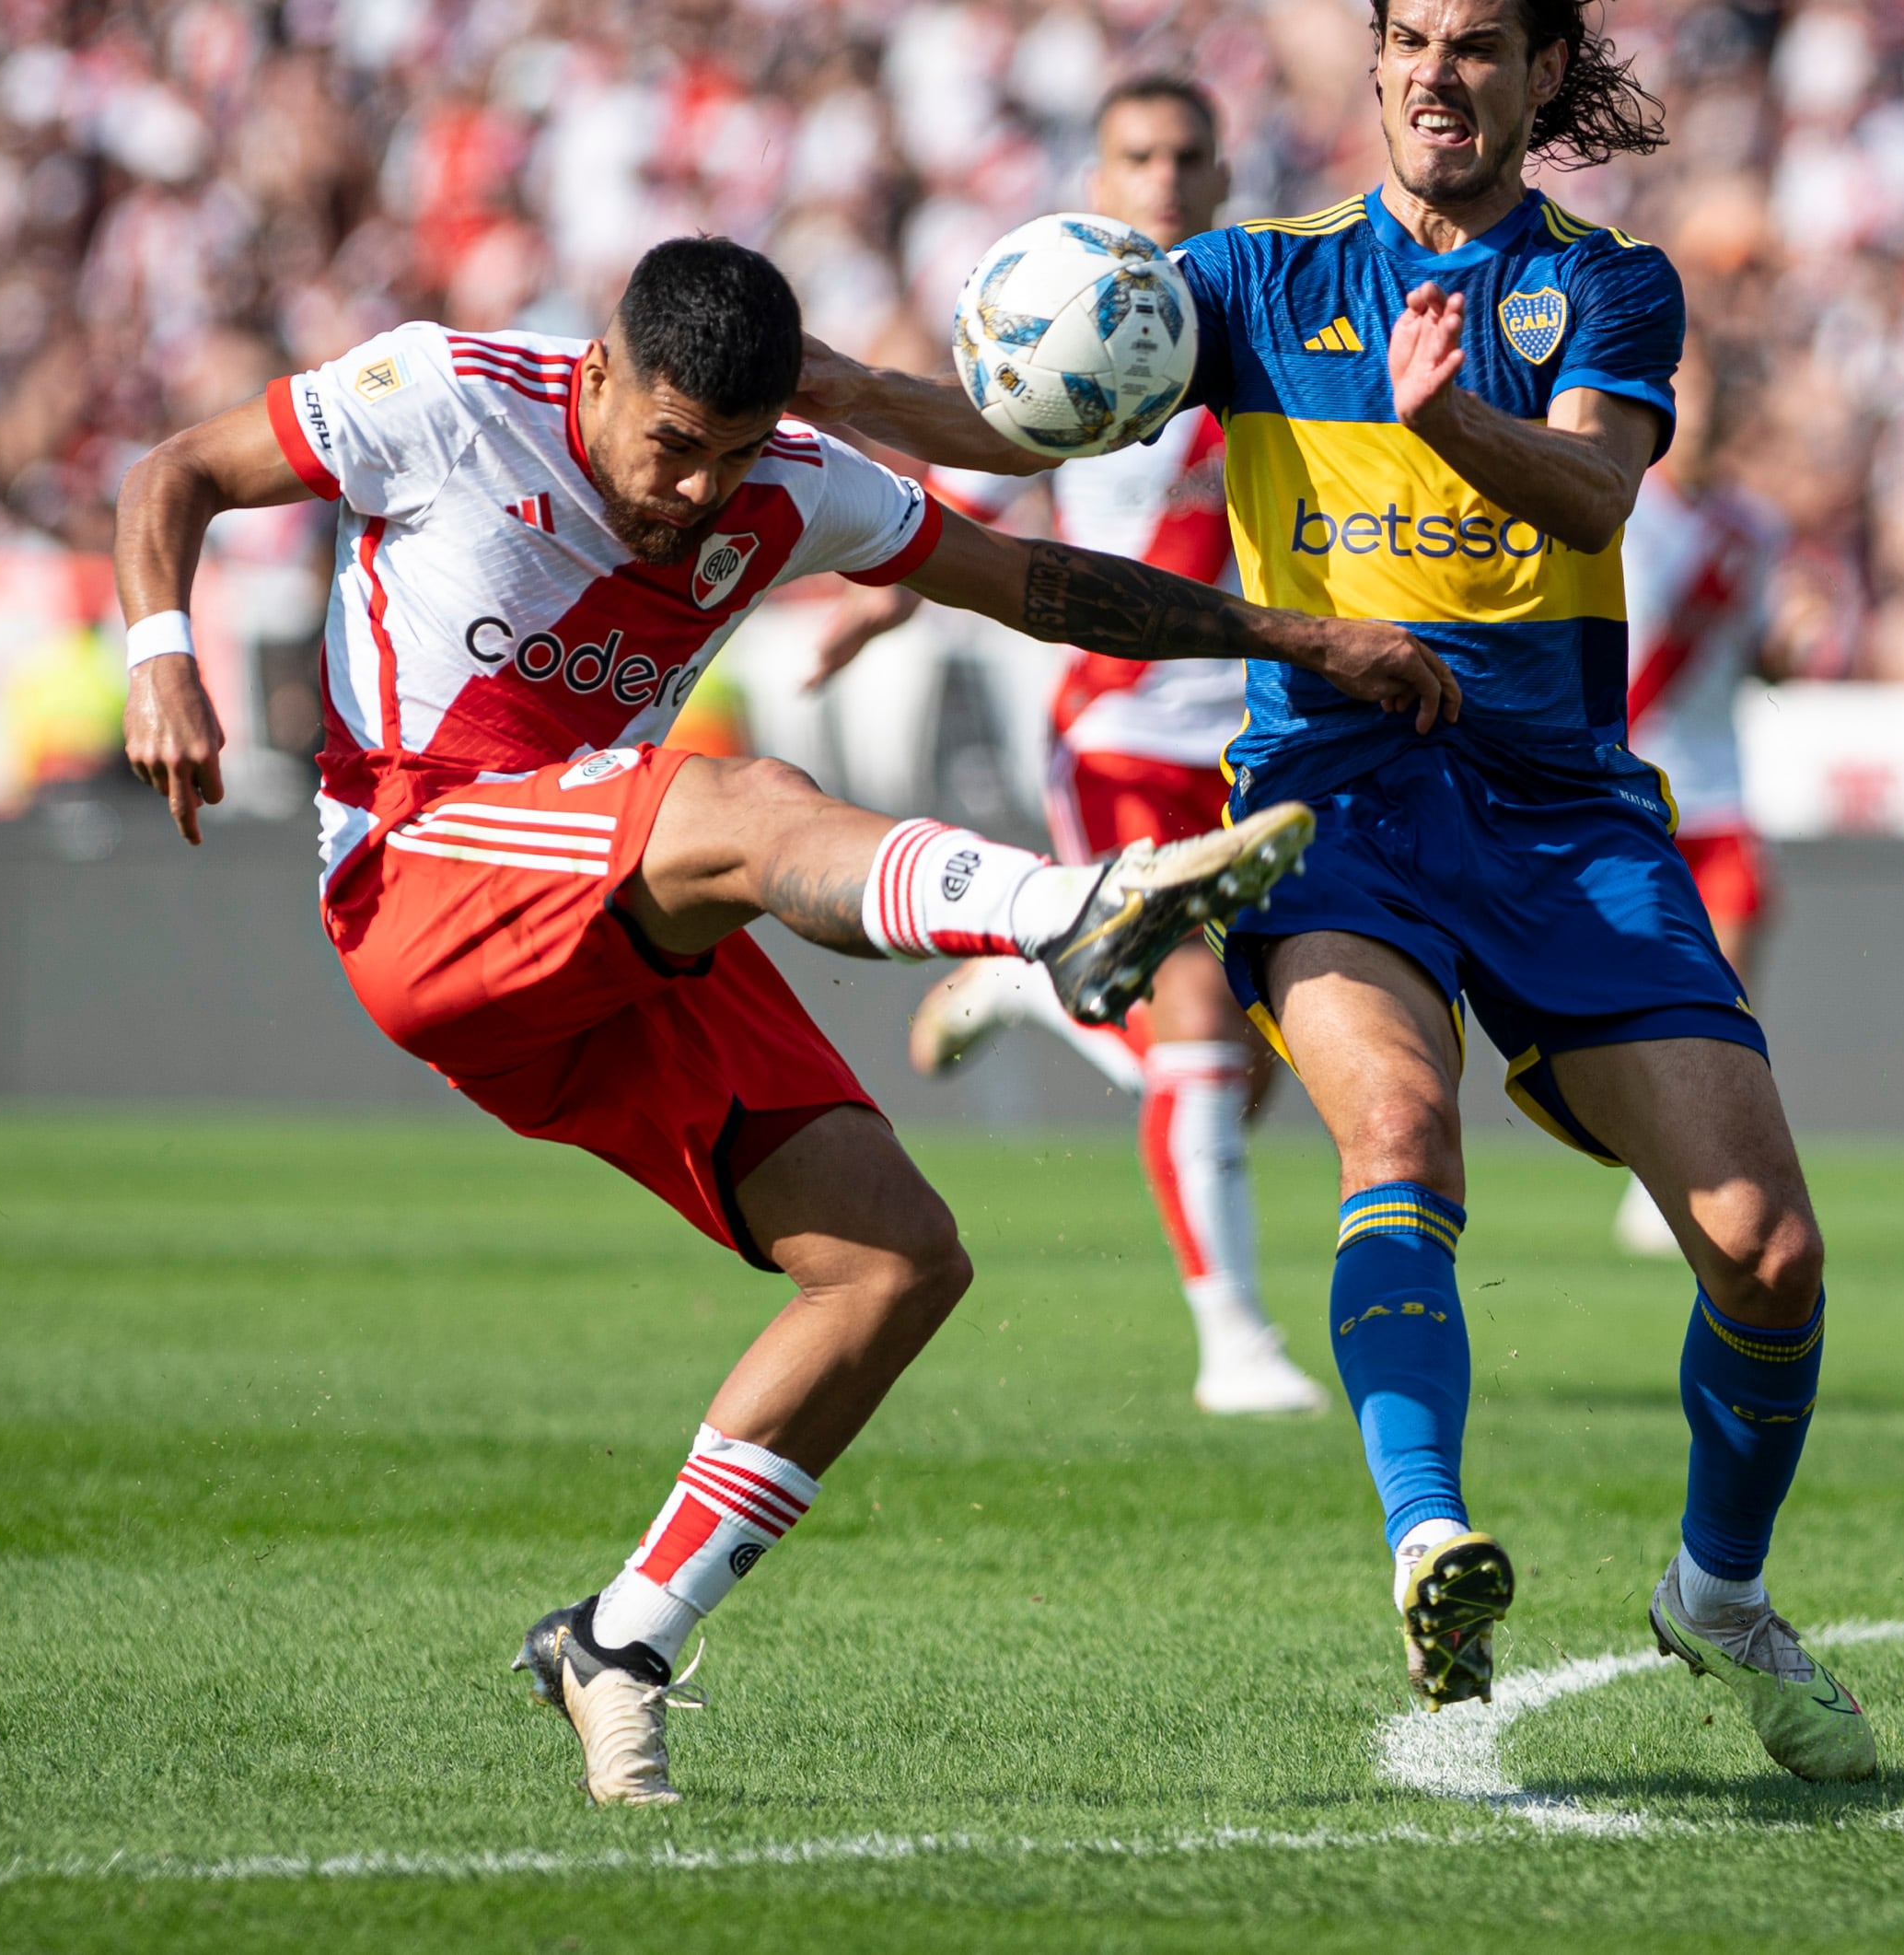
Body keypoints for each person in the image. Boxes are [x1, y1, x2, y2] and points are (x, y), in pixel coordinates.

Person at [114, 235, 1456, 1807]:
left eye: (733, 456)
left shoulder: (795, 485)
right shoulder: (444, 393)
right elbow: (173, 472)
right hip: (423, 871)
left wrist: (1301, 637)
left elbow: (1032, 584)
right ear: (600, 371)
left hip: (605, 929)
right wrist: (159, 655)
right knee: (745, 802)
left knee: (896, 1259)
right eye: (674, 444)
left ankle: (619, 1638)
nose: (695, 492)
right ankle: (1065, 914)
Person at [795, 0, 1878, 1781]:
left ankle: (1714, 1593)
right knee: (1394, 1123)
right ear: (1370, 70)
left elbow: (1594, 499)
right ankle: (1425, 1529)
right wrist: (811, 388)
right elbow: (1015, 425)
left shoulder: (1608, 285)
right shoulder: (1254, 277)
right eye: (1406, 45)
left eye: (1474, 45)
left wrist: (1451, 414)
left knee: (1766, 1251)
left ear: (1542, 74)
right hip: (1339, 799)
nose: (1434, 75)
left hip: (1561, 815)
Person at [802, 76, 1325, 1416]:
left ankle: (1040, 981)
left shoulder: (1269, 318)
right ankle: (1236, 1346)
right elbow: (973, 492)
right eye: (1137, 154)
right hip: (1124, 735)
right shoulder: (1074, 325)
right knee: (1201, 1033)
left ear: (1221, 174)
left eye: (1187, 153)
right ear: (1099, 176)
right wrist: (879, 608)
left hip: (1268, 740)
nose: (1163, 176)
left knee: (1245, 1069)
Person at [1610, 345, 1787, 1257]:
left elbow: (1762, 655)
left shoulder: (1756, 527)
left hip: (1716, 791)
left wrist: (1794, 648)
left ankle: (1700, 1170)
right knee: (1643, 1002)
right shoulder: (1620, 504)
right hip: (1629, 786)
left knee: (1726, 987)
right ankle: (1659, 1162)